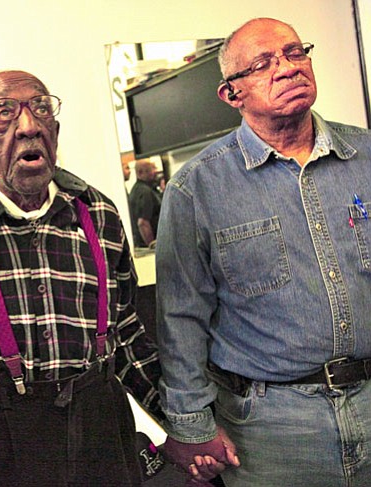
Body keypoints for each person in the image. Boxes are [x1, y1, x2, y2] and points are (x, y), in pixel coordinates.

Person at [0, 70, 161, 486]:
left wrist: (182, 427)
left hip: (102, 427)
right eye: (4, 113)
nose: (28, 126)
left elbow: (127, 332)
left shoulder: (98, 215)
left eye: (41, 108)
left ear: (55, 131)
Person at [156, 17, 371, 487]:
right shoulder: (197, 189)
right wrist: (192, 425)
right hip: (272, 430)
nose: (288, 68)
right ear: (231, 94)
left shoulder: (367, 156)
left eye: (296, 53)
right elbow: (181, 318)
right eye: (263, 64)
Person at [129, 159, 161, 248]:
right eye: (152, 169)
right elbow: (143, 223)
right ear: (140, 173)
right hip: (148, 247)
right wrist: (153, 247)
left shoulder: (137, 190)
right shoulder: (145, 192)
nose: (156, 171)